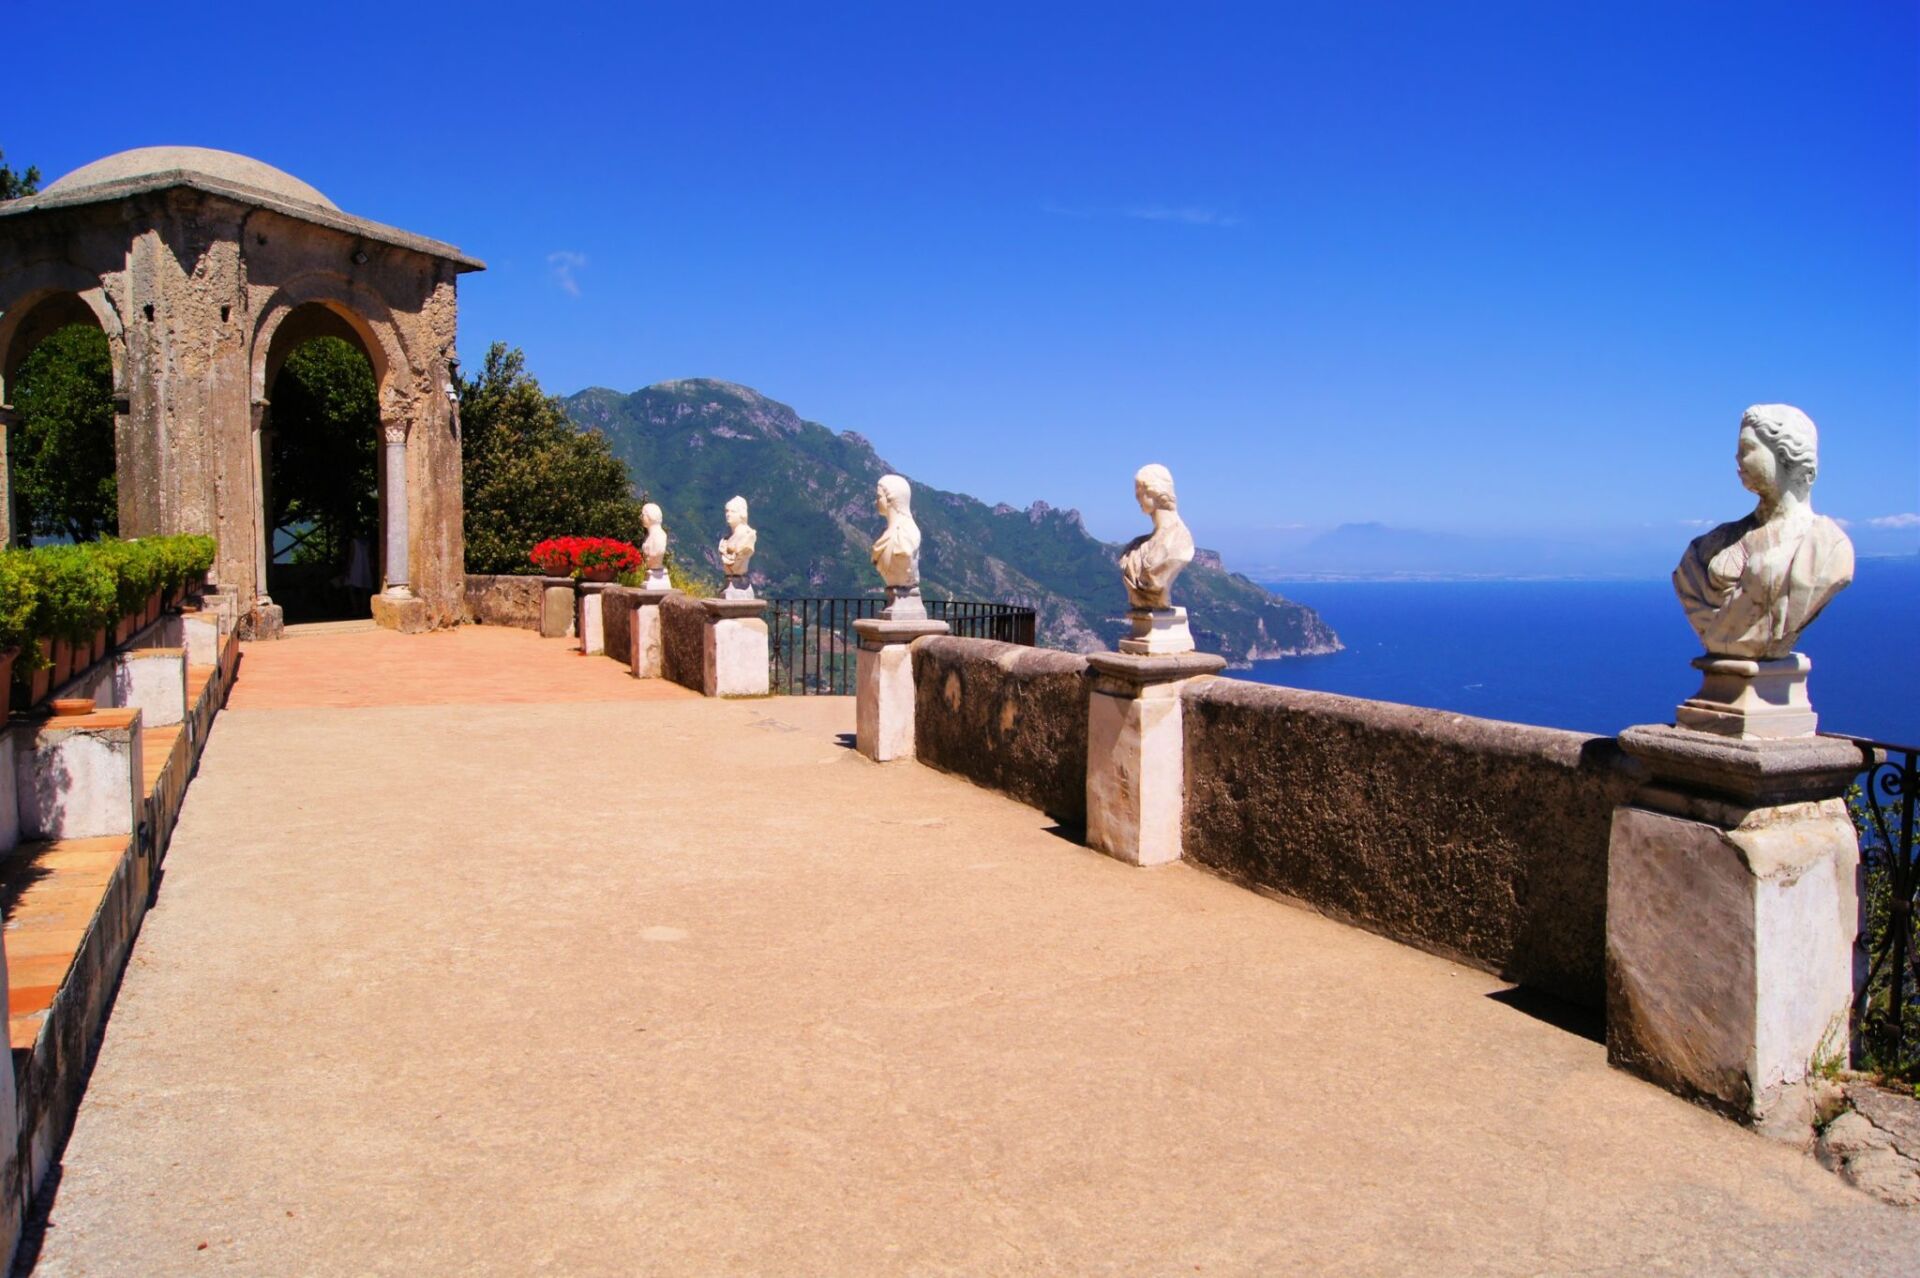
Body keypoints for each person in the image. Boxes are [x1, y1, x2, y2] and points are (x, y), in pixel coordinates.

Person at [1673, 404, 1853, 659]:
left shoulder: (1827, 545)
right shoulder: (1709, 546)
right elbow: (1688, 583)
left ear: (1787, 455)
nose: (1736, 457)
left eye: (1747, 448)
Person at [1118, 463, 1195, 610]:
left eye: (1139, 491)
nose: (1136, 498)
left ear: (1155, 491)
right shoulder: (1136, 546)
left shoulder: (1180, 541)